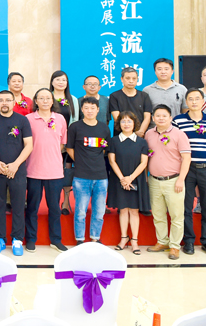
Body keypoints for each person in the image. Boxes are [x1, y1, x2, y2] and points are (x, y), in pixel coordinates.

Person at [173, 89, 206, 257]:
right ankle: (188, 241)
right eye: (190, 99)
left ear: (202, 101)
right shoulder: (178, 121)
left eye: (197, 99)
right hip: (187, 169)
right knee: (185, 206)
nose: (194, 102)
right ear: (186, 102)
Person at [0, 90, 32, 256]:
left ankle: (17, 239)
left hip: (17, 170)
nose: (4, 103)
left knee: (18, 206)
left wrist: (15, 165)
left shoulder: (22, 120)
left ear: (14, 103)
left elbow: (29, 145)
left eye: (8, 100)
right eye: (1, 100)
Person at [145, 105, 191, 260]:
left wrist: (181, 179)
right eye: (158, 115)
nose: (161, 118)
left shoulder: (179, 134)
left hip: (174, 181)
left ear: (170, 118)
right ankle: (162, 241)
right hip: (154, 180)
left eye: (164, 116)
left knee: (176, 215)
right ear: (153, 118)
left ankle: (175, 246)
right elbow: (146, 157)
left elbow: (186, 158)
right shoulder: (149, 134)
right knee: (158, 214)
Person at [25, 89, 68, 252]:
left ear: (52, 101)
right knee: (32, 208)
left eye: (48, 98)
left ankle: (56, 239)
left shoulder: (60, 119)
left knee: (55, 208)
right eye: (41, 98)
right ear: (36, 101)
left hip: (54, 171)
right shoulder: (28, 119)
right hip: (33, 170)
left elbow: (62, 144)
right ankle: (30, 239)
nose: (44, 101)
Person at [66, 97, 111, 245]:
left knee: (99, 211)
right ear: (82, 110)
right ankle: (79, 239)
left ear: (98, 110)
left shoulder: (104, 128)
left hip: (101, 176)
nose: (89, 111)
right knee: (80, 211)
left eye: (93, 108)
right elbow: (69, 148)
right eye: (86, 108)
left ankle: (95, 238)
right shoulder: (75, 127)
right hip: (81, 176)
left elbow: (104, 150)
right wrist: (79, 161)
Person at [108, 111, 150, 255]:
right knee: (123, 209)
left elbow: (144, 163)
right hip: (118, 178)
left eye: (129, 121)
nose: (126, 124)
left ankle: (135, 241)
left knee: (134, 210)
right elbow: (112, 161)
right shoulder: (114, 141)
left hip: (135, 179)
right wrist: (122, 179)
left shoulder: (142, 142)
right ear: (119, 124)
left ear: (134, 123)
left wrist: (130, 178)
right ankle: (123, 238)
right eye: (123, 121)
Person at [50, 70, 77, 216]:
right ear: (52, 82)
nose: (61, 82)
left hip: (68, 142)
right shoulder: (47, 97)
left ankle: (65, 202)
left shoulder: (73, 100)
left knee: (67, 172)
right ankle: (53, 202)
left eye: (64, 80)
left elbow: (75, 121)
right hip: (51, 142)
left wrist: (69, 142)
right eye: (58, 79)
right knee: (53, 174)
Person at [108, 67, 152, 136]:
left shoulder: (144, 96)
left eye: (134, 78)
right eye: (127, 78)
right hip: (121, 135)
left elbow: (147, 117)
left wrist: (141, 131)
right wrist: (129, 133)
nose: (131, 81)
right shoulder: (114, 96)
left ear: (137, 79)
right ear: (122, 79)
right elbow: (117, 118)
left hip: (140, 136)